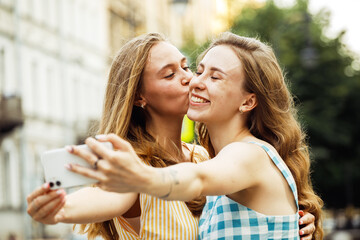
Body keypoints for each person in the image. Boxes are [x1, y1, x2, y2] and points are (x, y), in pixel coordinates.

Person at [27, 33, 316, 239]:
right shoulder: (136, 164)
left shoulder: (205, 155)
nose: (191, 79)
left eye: (187, 67)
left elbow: (229, 191)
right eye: (169, 74)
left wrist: (287, 223)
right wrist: (60, 211)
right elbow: (106, 197)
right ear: (139, 96)